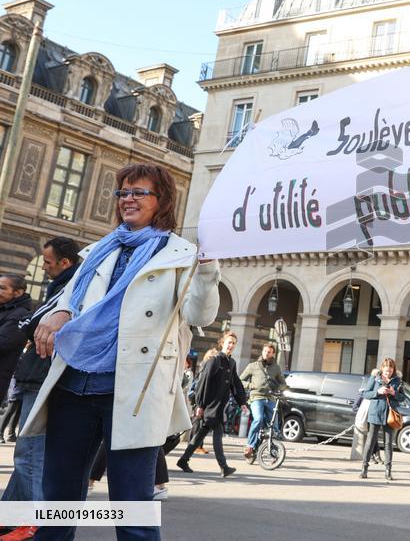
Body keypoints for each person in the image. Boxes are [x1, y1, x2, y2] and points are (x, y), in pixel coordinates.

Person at [22, 163, 220, 541]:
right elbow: (73, 301)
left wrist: (208, 272)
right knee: (57, 505)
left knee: (133, 510)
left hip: (132, 392)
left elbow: (199, 315)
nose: (128, 199)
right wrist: (60, 312)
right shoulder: (99, 249)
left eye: (138, 192)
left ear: (161, 200)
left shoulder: (181, 254)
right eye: (123, 192)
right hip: (73, 384)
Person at [1, 238, 80, 517]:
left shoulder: (70, 287)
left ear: (64, 262)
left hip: (42, 375)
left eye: (47, 262)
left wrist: (32, 324)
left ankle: (38, 524)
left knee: (31, 454)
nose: (44, 267)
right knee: (28, 453)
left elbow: (31, 324)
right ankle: (9, 516)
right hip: (37, 374)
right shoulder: (59, 285)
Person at [176, 331, 248, 477]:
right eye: (229, 342)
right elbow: (203, 383)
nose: (231, 345)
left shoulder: (232, 363)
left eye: (234, 343)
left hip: (220, 406)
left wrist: (242, 402)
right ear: (222, 343)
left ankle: (183, 460)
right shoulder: (214, 361)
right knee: (217, 434)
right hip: (210, 406)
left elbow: (235, 384)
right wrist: (200, 405)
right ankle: (224, 467)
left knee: (201, 433)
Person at [240, 342, 286, 460]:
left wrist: (278, 388)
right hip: (256, 398)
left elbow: (283, 384)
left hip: (270, 399)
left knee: (274, 426)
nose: (266, 353)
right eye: (265, 351)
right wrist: (251, 385)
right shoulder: (253, 366)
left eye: (269, 352)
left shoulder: (276, 368)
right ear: (262, 352)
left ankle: (274, 451)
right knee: (258, 419)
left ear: (273, 354)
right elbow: (240, 380)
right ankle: (250, 446)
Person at [359, 357, 401, 481]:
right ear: (382, 369)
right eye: (386, 370)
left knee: (388, 443)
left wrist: (394, 393)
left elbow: (403, 398)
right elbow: (365, 393)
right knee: (370, 441)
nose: (388, 373)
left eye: (390, 371)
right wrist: (377, 392)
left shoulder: (397, 380)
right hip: (375, 413)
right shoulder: (375, 378)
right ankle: (364, 468)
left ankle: (388, 471)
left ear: (393, 370)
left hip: (390, 415)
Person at [0, 275, 31, 410]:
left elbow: (3, 344)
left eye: (2, 288)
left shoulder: (20, 314)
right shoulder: (5, 309)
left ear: (18, 293)